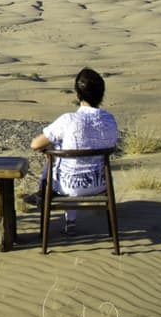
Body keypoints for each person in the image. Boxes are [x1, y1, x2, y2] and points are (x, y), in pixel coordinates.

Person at [28, 68, 119, 211]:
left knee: (53, 149)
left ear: (78, 94)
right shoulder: (110, 120)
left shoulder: (69, 120)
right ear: (101, 94)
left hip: (68, 185)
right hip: (101, 183)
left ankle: (42, 194)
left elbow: (35, 144)